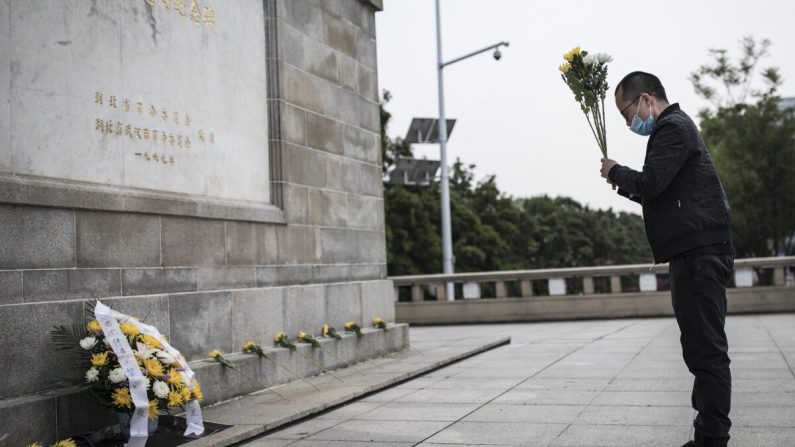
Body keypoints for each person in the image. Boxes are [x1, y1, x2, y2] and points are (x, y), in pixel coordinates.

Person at [600, 71, 734, 447]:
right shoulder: (676, 127)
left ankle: (711, 439)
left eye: (627, 114)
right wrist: (623, 183)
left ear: (645, 99)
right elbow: (660, 191)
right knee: (701, 348)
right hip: (697, 250)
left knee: (706, 351)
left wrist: (616, 171)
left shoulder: (672, 127)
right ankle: (709, 434)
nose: (629, 123)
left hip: (699, 252)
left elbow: (652, 182)